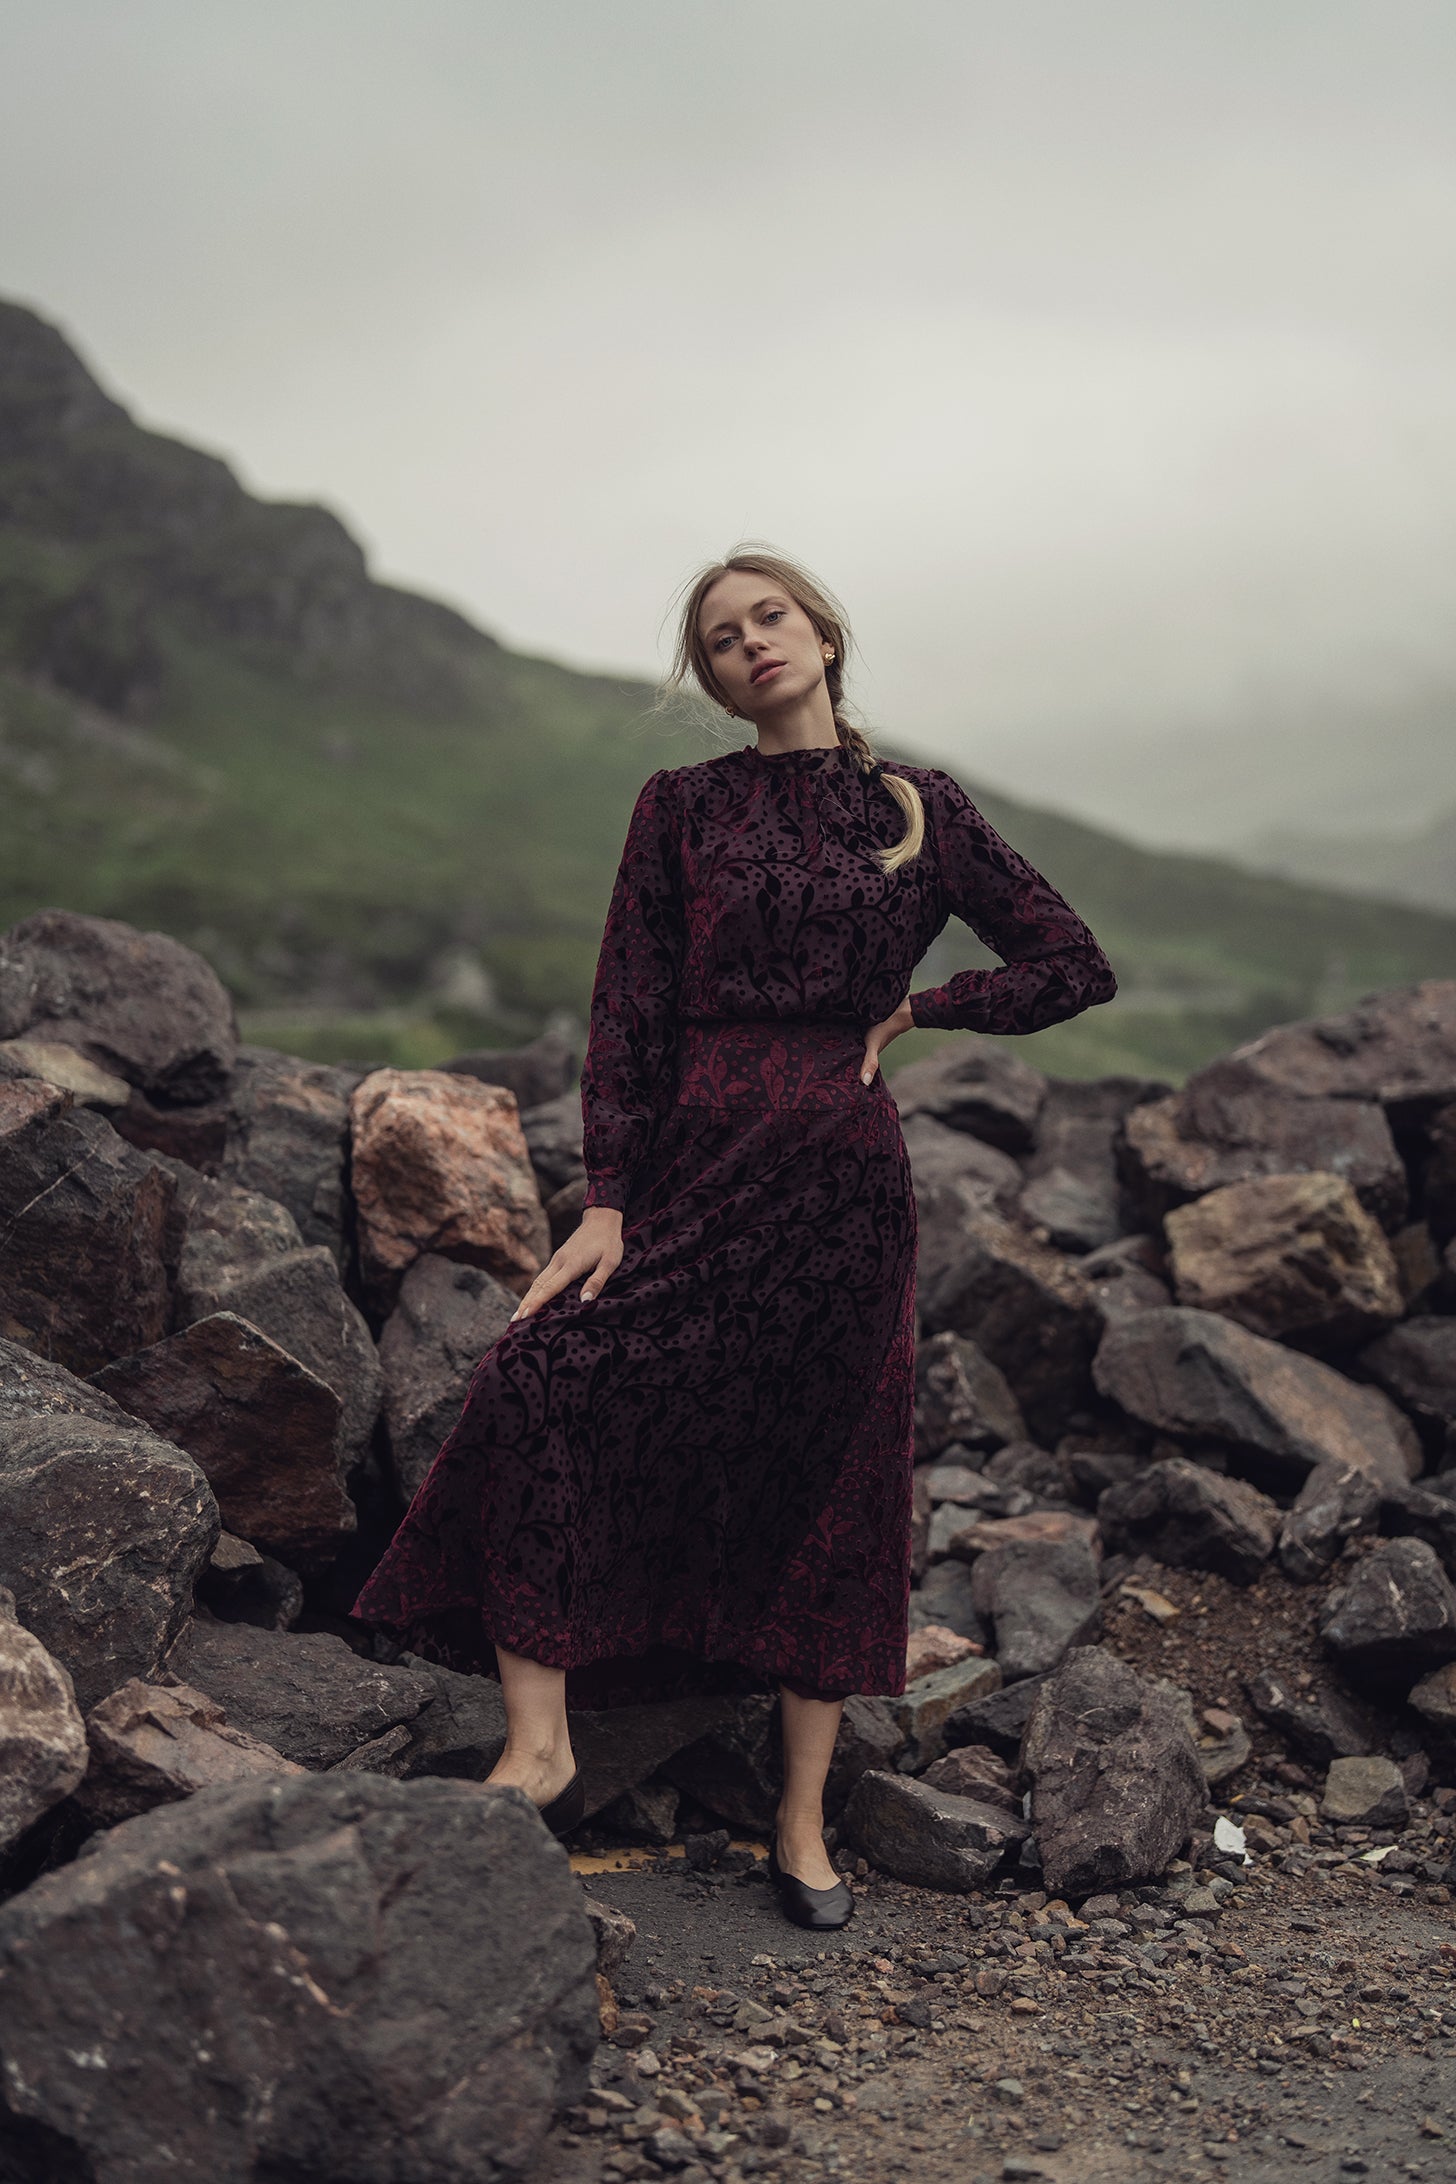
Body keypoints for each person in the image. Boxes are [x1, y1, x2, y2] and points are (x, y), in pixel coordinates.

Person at [351, 547, 1117, 1930]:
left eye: (770, 618)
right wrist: (604, 1206)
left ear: (822, 634)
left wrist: (920, 1015)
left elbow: (1072, 961)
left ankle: (803, 1821)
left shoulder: (913, 807)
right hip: (697, 1167)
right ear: (708, 680)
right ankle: (542, 1745)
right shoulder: (681, 808)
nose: (750, 644)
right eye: (719, 639)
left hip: (841, 1190)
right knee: (544, 1378)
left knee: (823, 1472)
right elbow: (626, 1015)